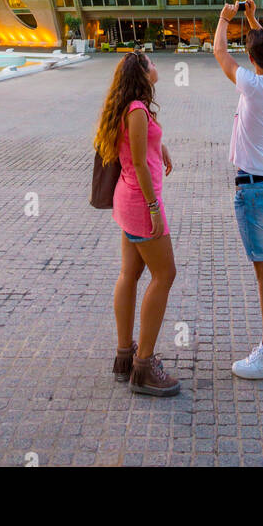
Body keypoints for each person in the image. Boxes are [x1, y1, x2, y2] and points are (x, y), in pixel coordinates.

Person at [213, 0, 263, 380]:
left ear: (251, 56)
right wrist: (250, 21)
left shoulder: (253, 84)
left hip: (255, 190)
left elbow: (219, 52)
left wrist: (224, 19)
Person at [94, 50, 179, 397]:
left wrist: (163, 149)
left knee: (129, 275)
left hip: (125, 201)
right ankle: (144, 367)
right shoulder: (138, 111)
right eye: (152, 63)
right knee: (165, 275)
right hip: (140, 203)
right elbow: (141, 166)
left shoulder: (129, 107)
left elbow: (139, 148)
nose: (157, 67)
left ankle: (124, 356)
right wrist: (154, 207)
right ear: (143, 73)